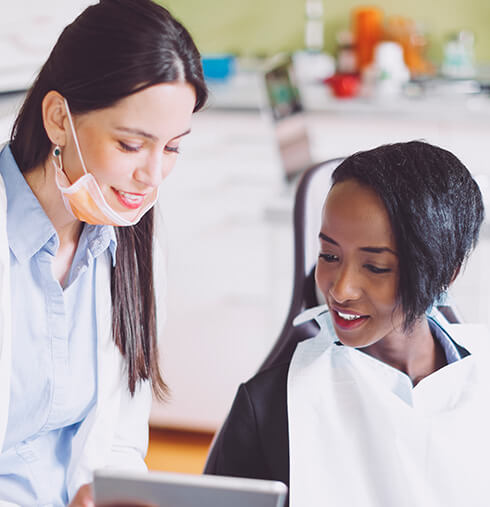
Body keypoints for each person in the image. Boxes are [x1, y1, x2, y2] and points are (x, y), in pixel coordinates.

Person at [0, 0, 207, 505]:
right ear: (57, 119)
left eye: (173, 147)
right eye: (131, 145)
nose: (153, 176)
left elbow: (116, 439)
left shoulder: (132, 246)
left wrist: (108, 490)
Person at [205, 141, 490, 507]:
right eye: (329, 255)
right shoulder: (271, 407)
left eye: (375, 267)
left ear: (443, 274)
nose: (340, 289)